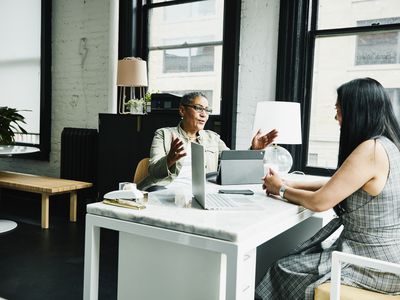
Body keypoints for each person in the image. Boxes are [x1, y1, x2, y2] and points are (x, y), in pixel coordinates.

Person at [256, 77, 400, 300]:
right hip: (388, 257)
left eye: (339, 109)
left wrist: (280, 190)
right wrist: (289, 183)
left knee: (281, 268)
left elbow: (319, 202)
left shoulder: (370, 150)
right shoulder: (388, 145)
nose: (336, 117)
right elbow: (341, 184)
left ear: (358, 111)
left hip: (372, 264)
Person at [137, 91, 278, 191]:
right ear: (182, 110)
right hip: (165, 190)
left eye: (206, 109)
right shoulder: (164, 134)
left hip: (201, 194)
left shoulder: (213, 138)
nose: (204, 114)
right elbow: (154, 172)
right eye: (198, 108)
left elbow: (232, 165)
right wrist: (169, 160)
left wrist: (254, 150)